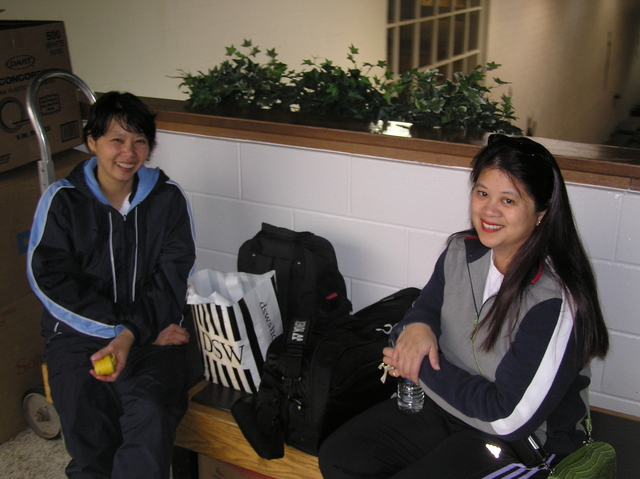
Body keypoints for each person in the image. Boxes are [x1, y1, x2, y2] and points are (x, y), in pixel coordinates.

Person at [318, 134, 610, 479]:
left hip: (522, 443)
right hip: (447, 408)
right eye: (482, 193)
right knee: (341, 456)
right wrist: (417, 327)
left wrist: (418, 365)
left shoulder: (554, 301)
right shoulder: (461, 252)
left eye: (508, 200)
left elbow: (507, 416)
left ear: (541, 214)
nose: (489, 210)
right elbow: (419, 314)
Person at [27, 91, 196, 479]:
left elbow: (171, 280)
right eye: (116, 139)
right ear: (92, 142)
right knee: (88, 431)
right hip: (78, 335)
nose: (129, 152)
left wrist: (133, 335)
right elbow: (51, 280)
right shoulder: (62, 201)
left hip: (150, 333)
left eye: (140, 140)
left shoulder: (167, 199)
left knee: (152, 415)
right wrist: (123, 332)